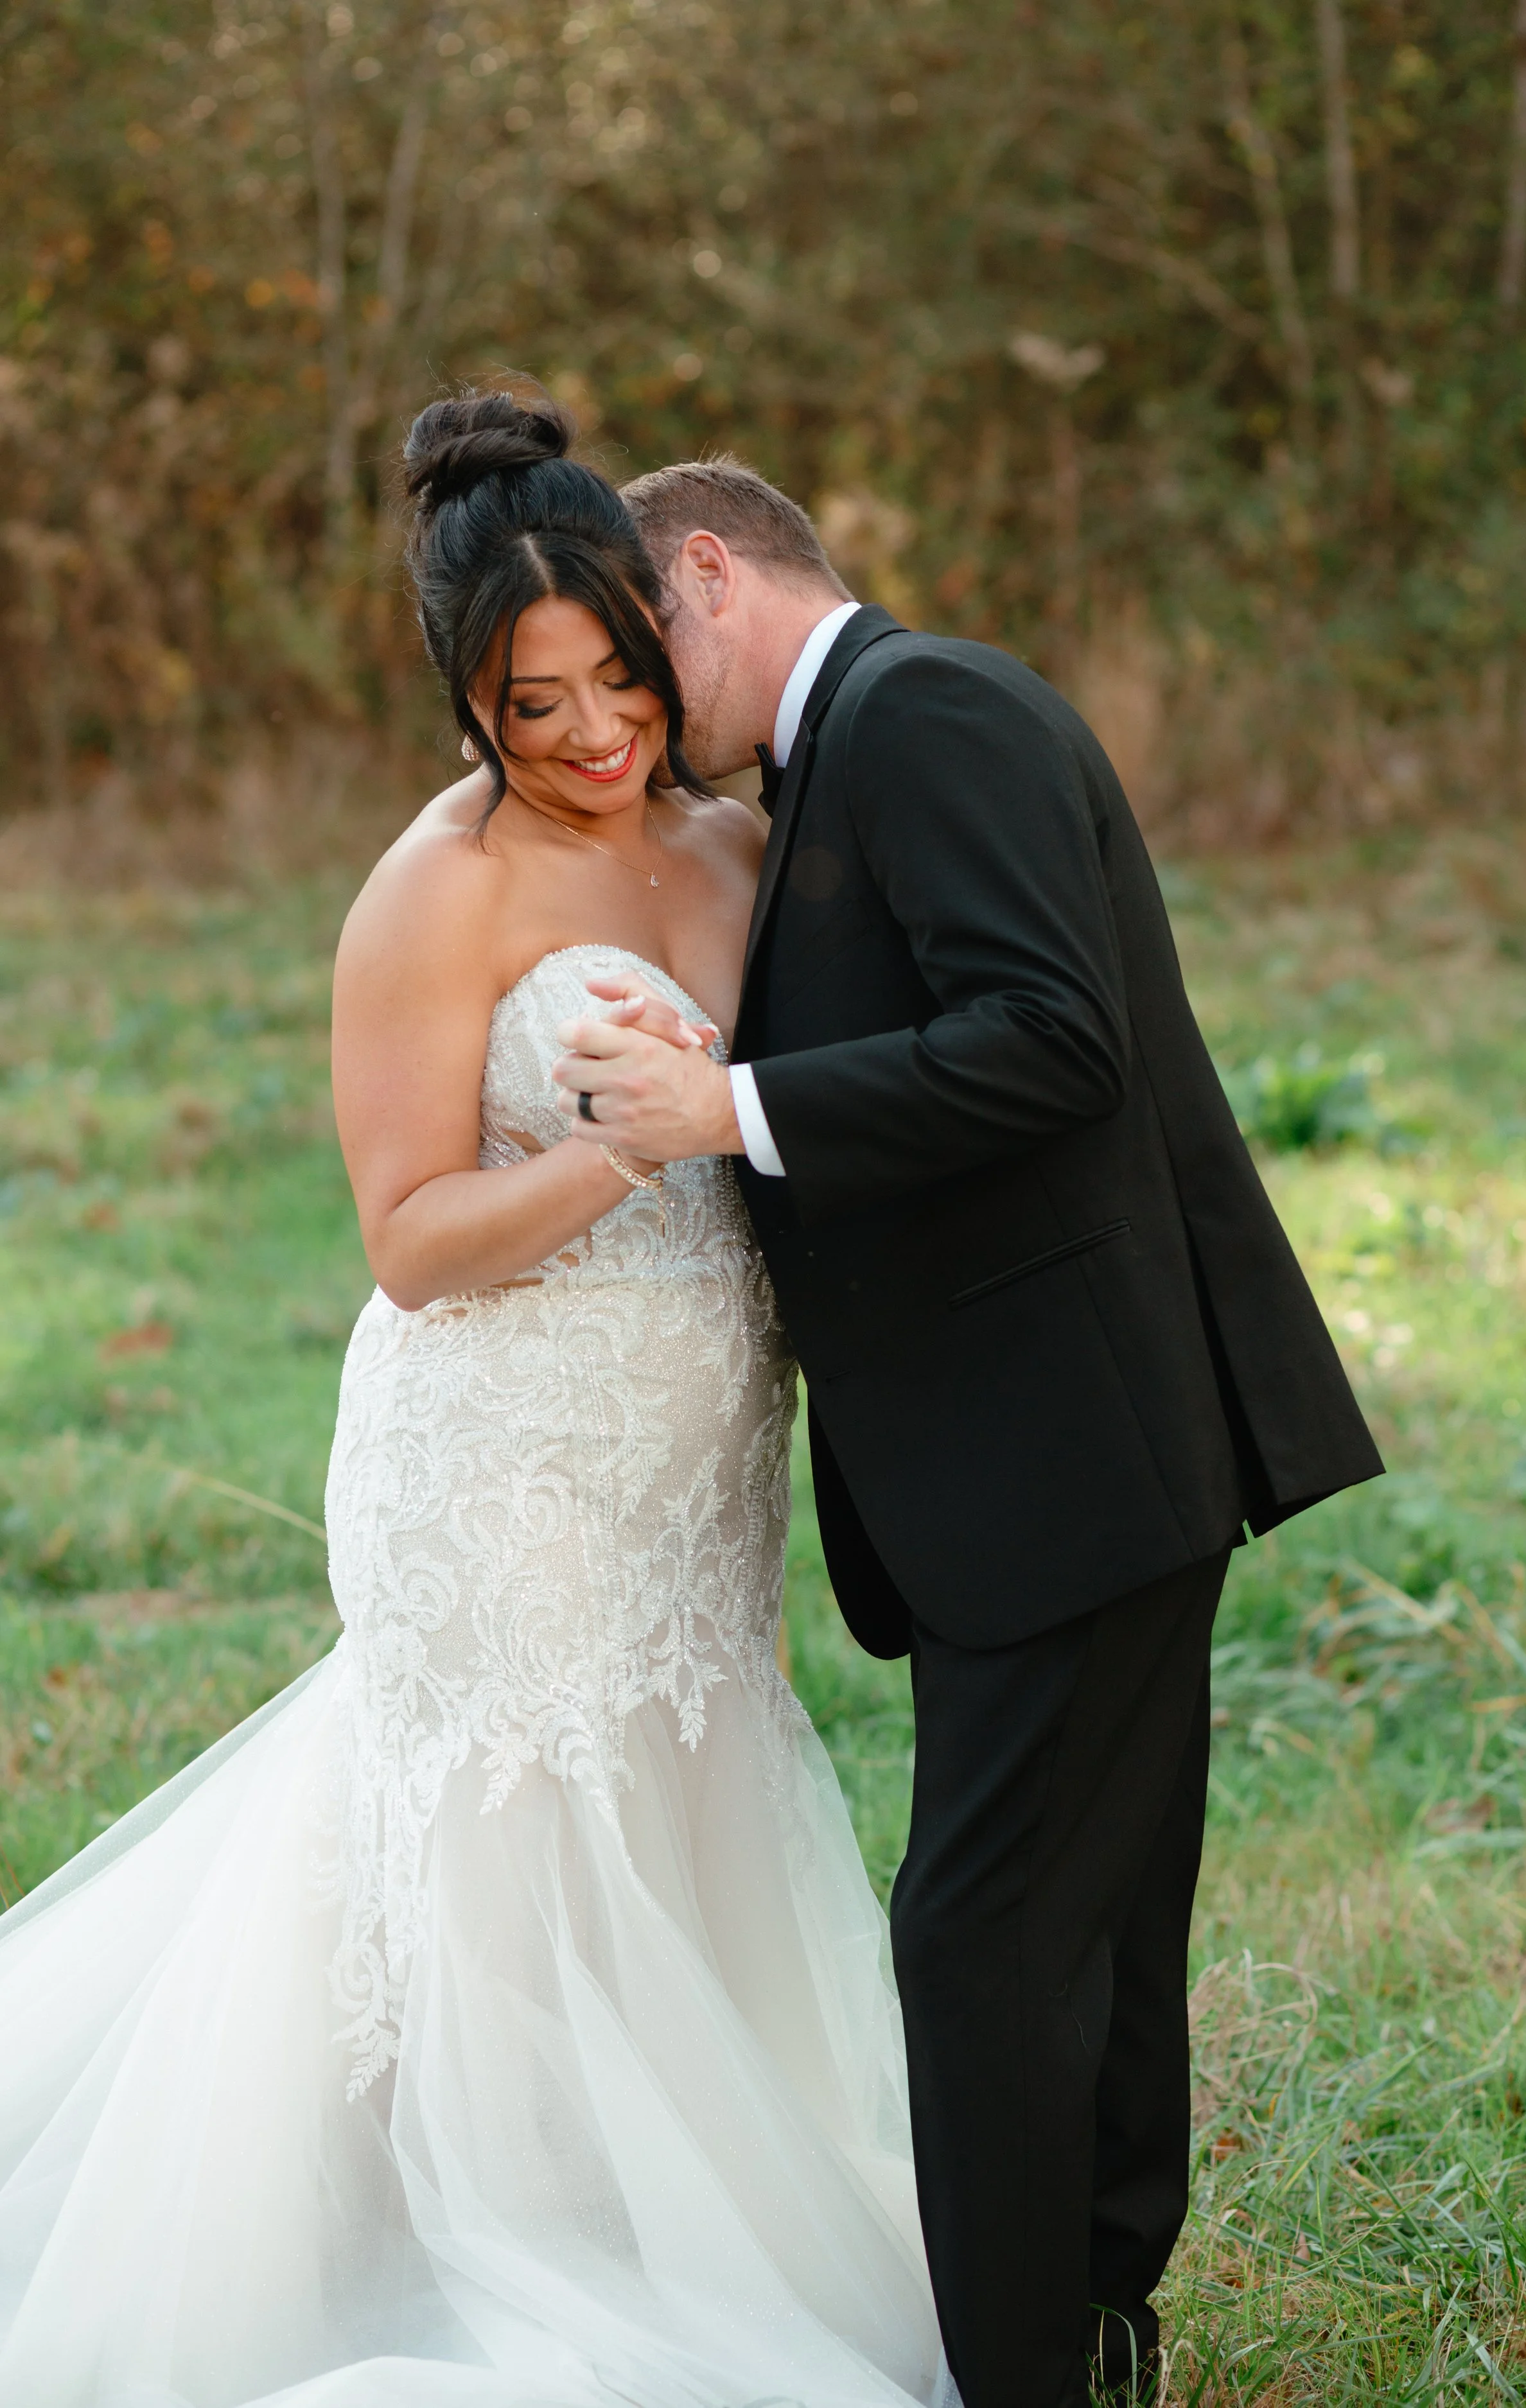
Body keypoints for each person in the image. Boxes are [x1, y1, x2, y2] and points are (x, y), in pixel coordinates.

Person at [0, 394, 950, 2408]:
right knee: (518, 1841)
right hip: (497, 1457)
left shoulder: (737, 832)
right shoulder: (444, 890)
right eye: (538, 707)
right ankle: (477, 2237)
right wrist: (622, 1147)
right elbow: (410, 1240)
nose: (599, 734)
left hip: (699, 1472)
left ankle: (677, 2212)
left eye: (619, 676)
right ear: (467, 705)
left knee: (681, 1809)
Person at [552, 456, 1385, 2408]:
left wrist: (732, 1112)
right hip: (1049, 1453)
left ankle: (1027, 2368)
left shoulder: (923, 714)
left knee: (983, 1933)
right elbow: (940, 1020)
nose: (648, 722)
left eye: (646, 664)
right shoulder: (859, 751)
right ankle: (1093, 2332)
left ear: (704, 571)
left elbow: (1053, 1036)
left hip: (1068, 1451)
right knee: (1083, 1909)